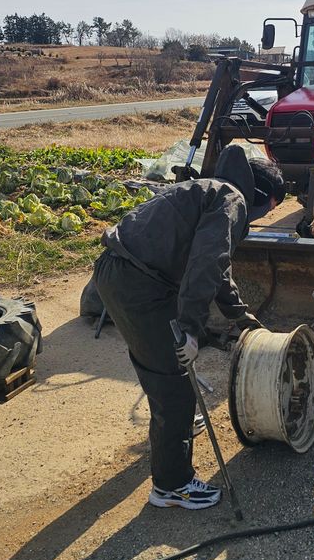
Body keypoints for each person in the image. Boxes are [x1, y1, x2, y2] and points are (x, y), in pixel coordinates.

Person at [92, 145, 285, 510]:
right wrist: (190, 329)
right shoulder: (233, 200)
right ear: (261, 194)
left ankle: (176, 425)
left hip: (121, 273)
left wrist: (242, 318)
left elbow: (218, 270)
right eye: (271, 208)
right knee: (173, 379)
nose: (264, 216)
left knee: (162, 363)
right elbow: (206, 264)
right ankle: (172, 485)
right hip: (137, 284)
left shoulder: (211, 189)